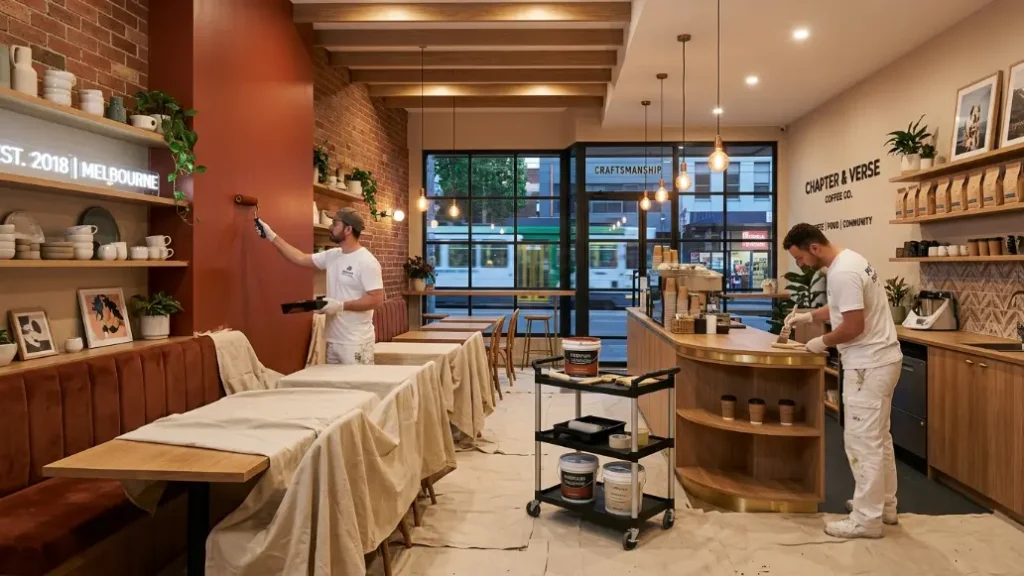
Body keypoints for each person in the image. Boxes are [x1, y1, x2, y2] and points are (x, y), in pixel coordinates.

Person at [782, 223, 903, 539]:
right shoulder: (851, 260)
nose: (800, 265)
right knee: (879, 438)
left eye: (799, 258)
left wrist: (818, 343)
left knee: (862, 441)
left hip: (869, 364)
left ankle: (867, 519)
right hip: (882, 360)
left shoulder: (841, 273)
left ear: (814, 248)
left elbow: (852, 327)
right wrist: (809, 317)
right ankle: (884, 506)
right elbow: (842, 309)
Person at [256, 208, 384, 365]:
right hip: (333, 340)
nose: (330, 227)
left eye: (335, 223)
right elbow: (300, 258)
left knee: (358, 388)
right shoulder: (333, 255)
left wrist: (340, 305)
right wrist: (271, 235)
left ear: (348, 229)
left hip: (356, 343)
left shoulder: (367, 261)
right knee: (333, 388)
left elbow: (376, 299)